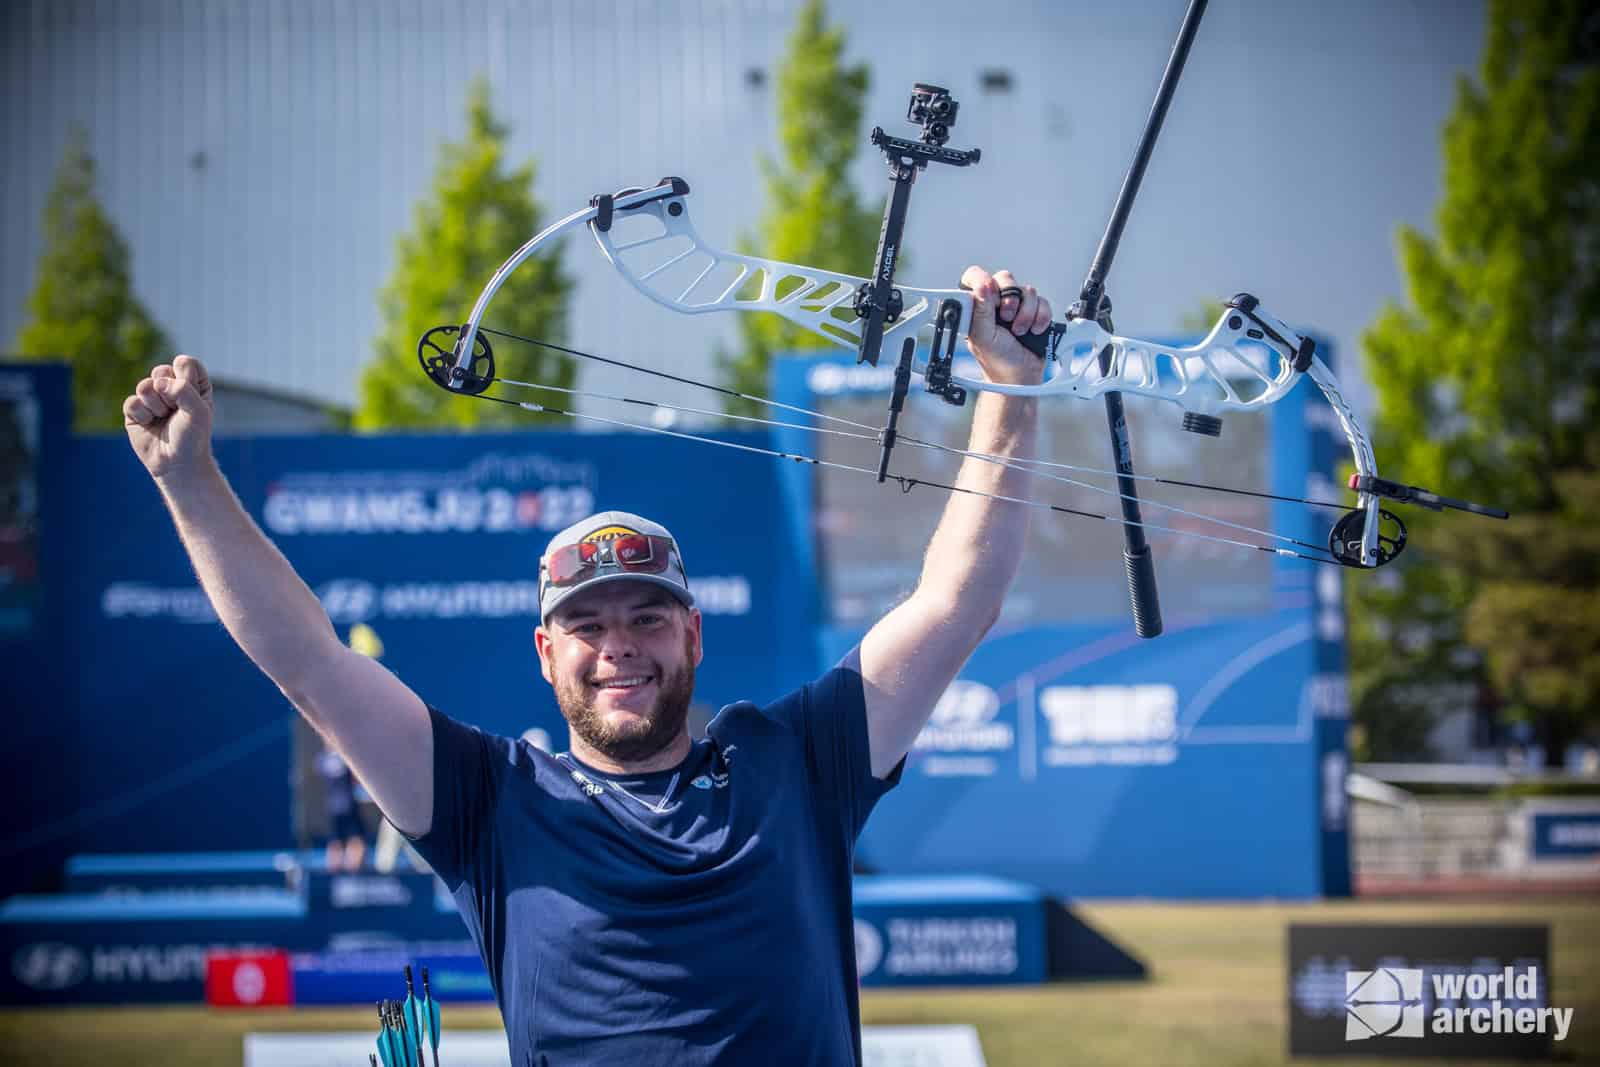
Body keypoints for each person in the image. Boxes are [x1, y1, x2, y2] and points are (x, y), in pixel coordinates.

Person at [122, 268, 1047, 1066]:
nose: (619, 647)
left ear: (692, 635)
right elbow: (308, 665)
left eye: (646, 617)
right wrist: (190, 482)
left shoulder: (801, 759)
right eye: (587, 625)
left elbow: (954, 601)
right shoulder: (489, 798)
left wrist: (1009, 388)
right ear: (545, 652)